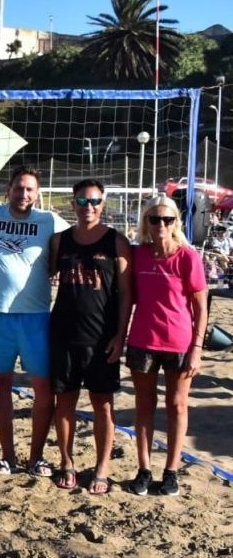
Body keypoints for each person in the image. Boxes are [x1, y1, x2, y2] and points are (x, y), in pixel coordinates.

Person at [0, 165, 69, 477]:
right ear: (8, 189)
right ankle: (8, 457)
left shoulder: (50, 220)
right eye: (18, 188)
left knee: (43, 387)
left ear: (38, 193)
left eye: (29, 189)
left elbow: (77, 241)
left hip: (36, 316)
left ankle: (36, 457)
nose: (23, 194)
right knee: (0, 383)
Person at [48, 179, 133, 494]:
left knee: (103, 404)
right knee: (65, 400)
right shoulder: (60, 241)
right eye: (82, 202)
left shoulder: (116, 242)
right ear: (73, 204)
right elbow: (38, 274)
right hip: (63, 334)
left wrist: (120, 335)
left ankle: (102, 468)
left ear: (103, 204)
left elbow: (126, 294)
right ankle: (67, 463)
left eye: (94, 201)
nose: (88, 207)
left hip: (101, 337)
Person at [126, 195, 207, 497]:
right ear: (145, 222)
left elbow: (200, 307)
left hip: (179, 342)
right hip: (142, 339)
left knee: (177, 406)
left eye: (167, 219)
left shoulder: (188, 257)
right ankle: (144, 469)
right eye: (154, 219)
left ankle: (171, 471)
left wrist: (197, 348)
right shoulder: (138, 255)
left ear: (176, 223)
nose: (161, 224)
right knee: (144, 406)